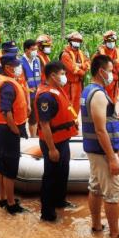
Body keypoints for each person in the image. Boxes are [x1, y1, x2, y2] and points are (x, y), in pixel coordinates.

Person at [81, 55, 119, 238]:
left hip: (94, 151)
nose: (112, 74)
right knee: (112, 193)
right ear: (101, 71)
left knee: (96, 187)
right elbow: (100, 130)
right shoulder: (98, 94)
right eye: (110, 70)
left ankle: (97, 226)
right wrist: (112, 158)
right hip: (102, 153)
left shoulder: (88, 90)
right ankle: (115, 234)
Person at [35, 61, 78, 221]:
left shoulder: (57, 90)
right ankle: (47, 213)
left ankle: (60, 201)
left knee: (62, 173)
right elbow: (44, 124)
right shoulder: (46, 96)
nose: (65, 77)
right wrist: (52, 148)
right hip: (52, 142)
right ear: (53, 76)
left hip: (63, 139)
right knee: (50, 176)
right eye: (62, 74)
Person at [0, 54, 28, 214]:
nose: (18, 68)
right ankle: (11, 204)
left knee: (1, 165)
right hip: (7, 130)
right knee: (10, 168)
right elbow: (5, 110)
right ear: (8, 67)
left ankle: (3, 198)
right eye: (16, 65)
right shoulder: (7, 85)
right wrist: (15, 129)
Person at [61, 31, 90, 116]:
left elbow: (88, 63)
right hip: (69, 85)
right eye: (75, 40)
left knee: (78, 104)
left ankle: (75, 122)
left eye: (78, 41)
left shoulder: (80, 53)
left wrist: (80, 65)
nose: (77, 43)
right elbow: (73, 69)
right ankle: (69, 123)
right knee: (69, 104)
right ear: (70, 41)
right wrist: (83, 70)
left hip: (79, 84)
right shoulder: (65, 55)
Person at [94, 30, 119, 104]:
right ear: (105, 41)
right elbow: (94, 66)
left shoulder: (118, 52)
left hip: (115, 82)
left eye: (113, 40)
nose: (111, 42)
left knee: (113, 102)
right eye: (109, 40)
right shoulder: (100, 52)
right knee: (103, 102)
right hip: (104, 81)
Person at [21, 39, 42, 137]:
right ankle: (30, 138)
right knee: (25, 117)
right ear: (26, 50)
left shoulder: (37, 60)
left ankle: (34, 137)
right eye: (33, 49)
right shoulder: (20, 62)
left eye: (36, 49)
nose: (35, 51)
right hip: (26, 95)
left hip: (37, 94)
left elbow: (40, 76)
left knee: (35, 118)